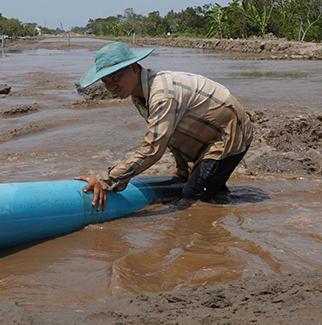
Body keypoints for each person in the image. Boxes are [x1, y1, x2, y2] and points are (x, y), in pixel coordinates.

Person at [75, 42, 253, 210]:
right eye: (106, 81)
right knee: (208, 189)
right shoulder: (139, 95)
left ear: (134, 68)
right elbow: (170, 133)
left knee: (192, 202)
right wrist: (183, 170)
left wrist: (105, 180)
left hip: (228, 134)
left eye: (116, 76)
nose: (111, 86)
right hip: (209, 133)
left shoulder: (162, 94)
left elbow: (153, 150)